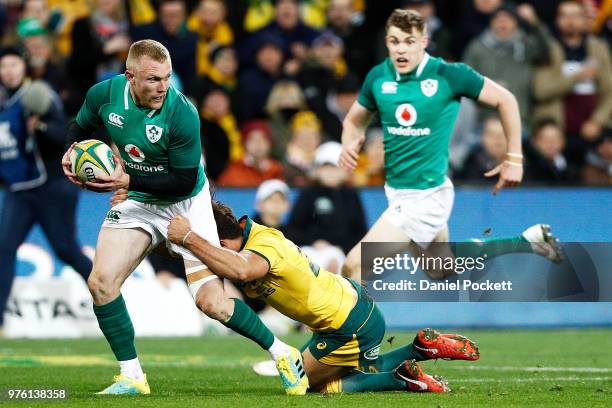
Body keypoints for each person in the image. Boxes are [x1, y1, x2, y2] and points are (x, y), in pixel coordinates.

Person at [60, 39, 306, 395]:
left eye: (167, 78)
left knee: (212, 304)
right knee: (100, 282)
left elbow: (184, 180)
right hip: (139, 200)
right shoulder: (105, 95)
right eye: (153, 80)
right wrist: (70, 152)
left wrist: (128, 179)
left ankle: (283, 351)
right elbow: (79, 126)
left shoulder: (182, 113)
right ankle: (132, 376)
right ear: (129, 77)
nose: (163, 87)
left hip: (185, 204)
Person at [338, 9, 563, 281]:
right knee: (440, 269)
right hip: (398, 192)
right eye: (395, 41)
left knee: (354, 266)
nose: (401, 49)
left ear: (424, 41)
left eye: (409, 41)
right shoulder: (378, 77)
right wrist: (349, 142)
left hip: (425, 195)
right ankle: (528, 241)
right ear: (386, 42)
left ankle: (363, 326)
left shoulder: (448, 74)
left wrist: (513, 158)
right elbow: (353, 121)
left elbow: (507, 100)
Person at [164, 200, 480, 393]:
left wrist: (191, 239)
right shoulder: (248, 238)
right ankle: (419, 349)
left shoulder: (262, 246)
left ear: (221, 239)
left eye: (212, 249)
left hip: (350, 325)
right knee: (331, 372)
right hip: (342, 312)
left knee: (313, 386)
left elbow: (243, 271)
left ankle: (403, 373)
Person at [0, 47, 91, 332]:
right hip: (20, 189)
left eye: (13, 64)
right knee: (3, 248)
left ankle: (109, 292)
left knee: (65, 250)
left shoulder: (37, 95)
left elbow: (64, 134)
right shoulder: (4, 102)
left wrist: (38, 126)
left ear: (23, 67)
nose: (8, 71)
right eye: (3, 66)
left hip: (52, 186)